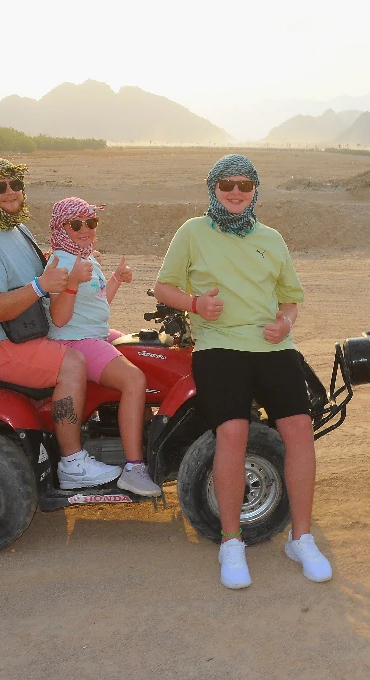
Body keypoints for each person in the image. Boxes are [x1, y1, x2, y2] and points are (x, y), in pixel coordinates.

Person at [154, 154, 332, 590]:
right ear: (212, 188)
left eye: (245, 186)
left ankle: (301, 538)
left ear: (255, 191)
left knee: (299, 431)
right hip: (219, 346)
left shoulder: (271, 238)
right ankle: (231, 542)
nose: (235, 193)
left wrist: (286, 322)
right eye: (226, 185)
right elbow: (164, 287)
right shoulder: (193, 232)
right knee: (232, 433)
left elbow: (290, 297)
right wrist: (196, 305)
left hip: (273, 347)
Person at [0, 158, 121, 489]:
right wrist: (41, 287)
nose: (10, 193)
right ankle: (72, 463)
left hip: (23, 329)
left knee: (117, 344)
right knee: (73, 363)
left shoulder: (10, 226)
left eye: (16, 185)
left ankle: (95, 423)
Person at [44, 197, 161, 496]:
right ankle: (135, 468)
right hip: (75, 340)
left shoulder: (84, 256)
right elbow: (58, 318)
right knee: (134, 379)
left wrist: (115, 280)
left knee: (141, 351)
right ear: (61, 228)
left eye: (91, 222)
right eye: (76, 224)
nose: (85, 229)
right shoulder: (60, 262)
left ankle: (144, 436)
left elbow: (96, 304)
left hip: (93, 332)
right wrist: (71, 282)